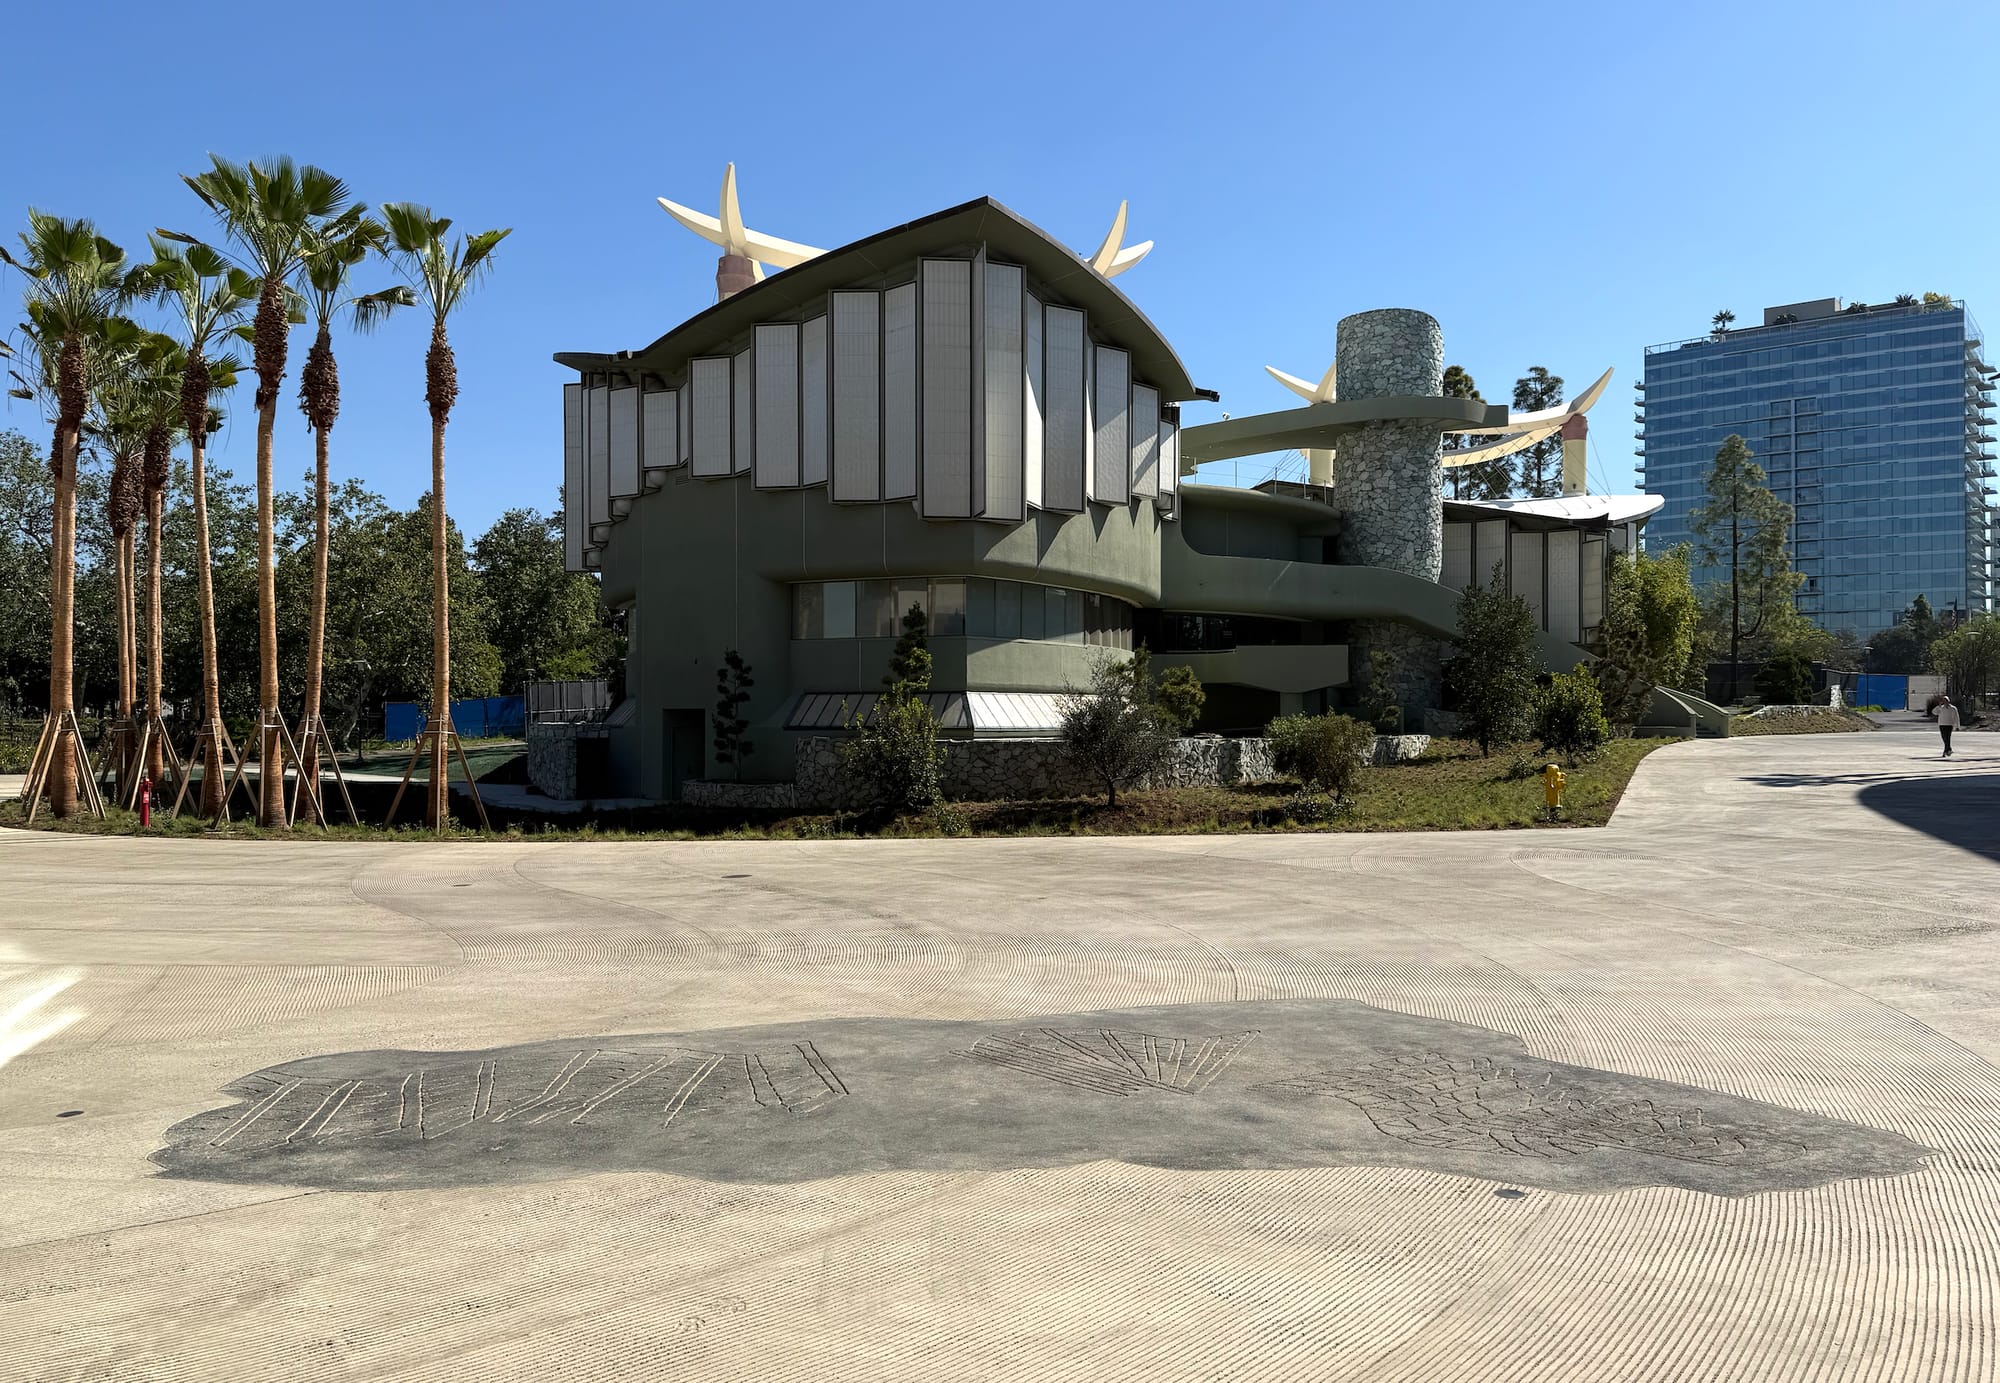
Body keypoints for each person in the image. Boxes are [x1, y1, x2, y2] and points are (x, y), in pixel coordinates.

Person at [1936, 694, 1960, 758]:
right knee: (1944, 738)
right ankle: (1948, 749)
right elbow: (1934, 712)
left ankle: (1946, 751)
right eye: (1944, 700)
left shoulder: (1953, 708)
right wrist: (1938, 706)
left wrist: (1957, 726)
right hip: (1942, 724)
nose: (1945, 702)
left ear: (1948, 701)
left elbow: (1956, 717)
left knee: (1948, 738)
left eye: (1946, 700)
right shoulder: (1941, 708)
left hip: (1949, 724)